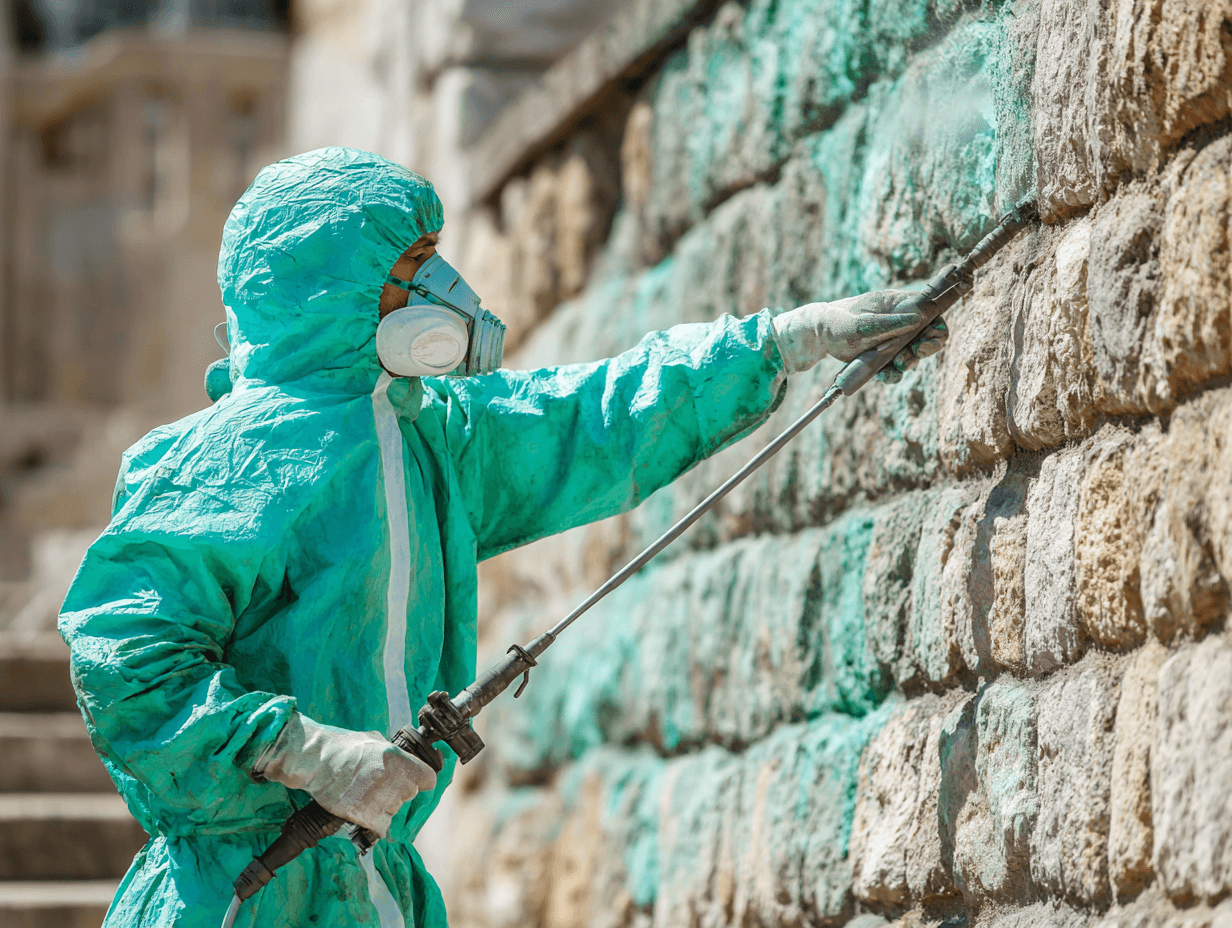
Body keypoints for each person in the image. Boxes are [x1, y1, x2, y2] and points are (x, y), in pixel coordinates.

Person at [59, 147, 946, 928]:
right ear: (334, 287)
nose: (445, 295)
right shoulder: (229, 462)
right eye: (413, 270)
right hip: (245, 894)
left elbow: (589, 419)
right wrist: (309, 755)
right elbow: (125, 654)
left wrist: (781, 343)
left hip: (370, 885)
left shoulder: (429, 436)